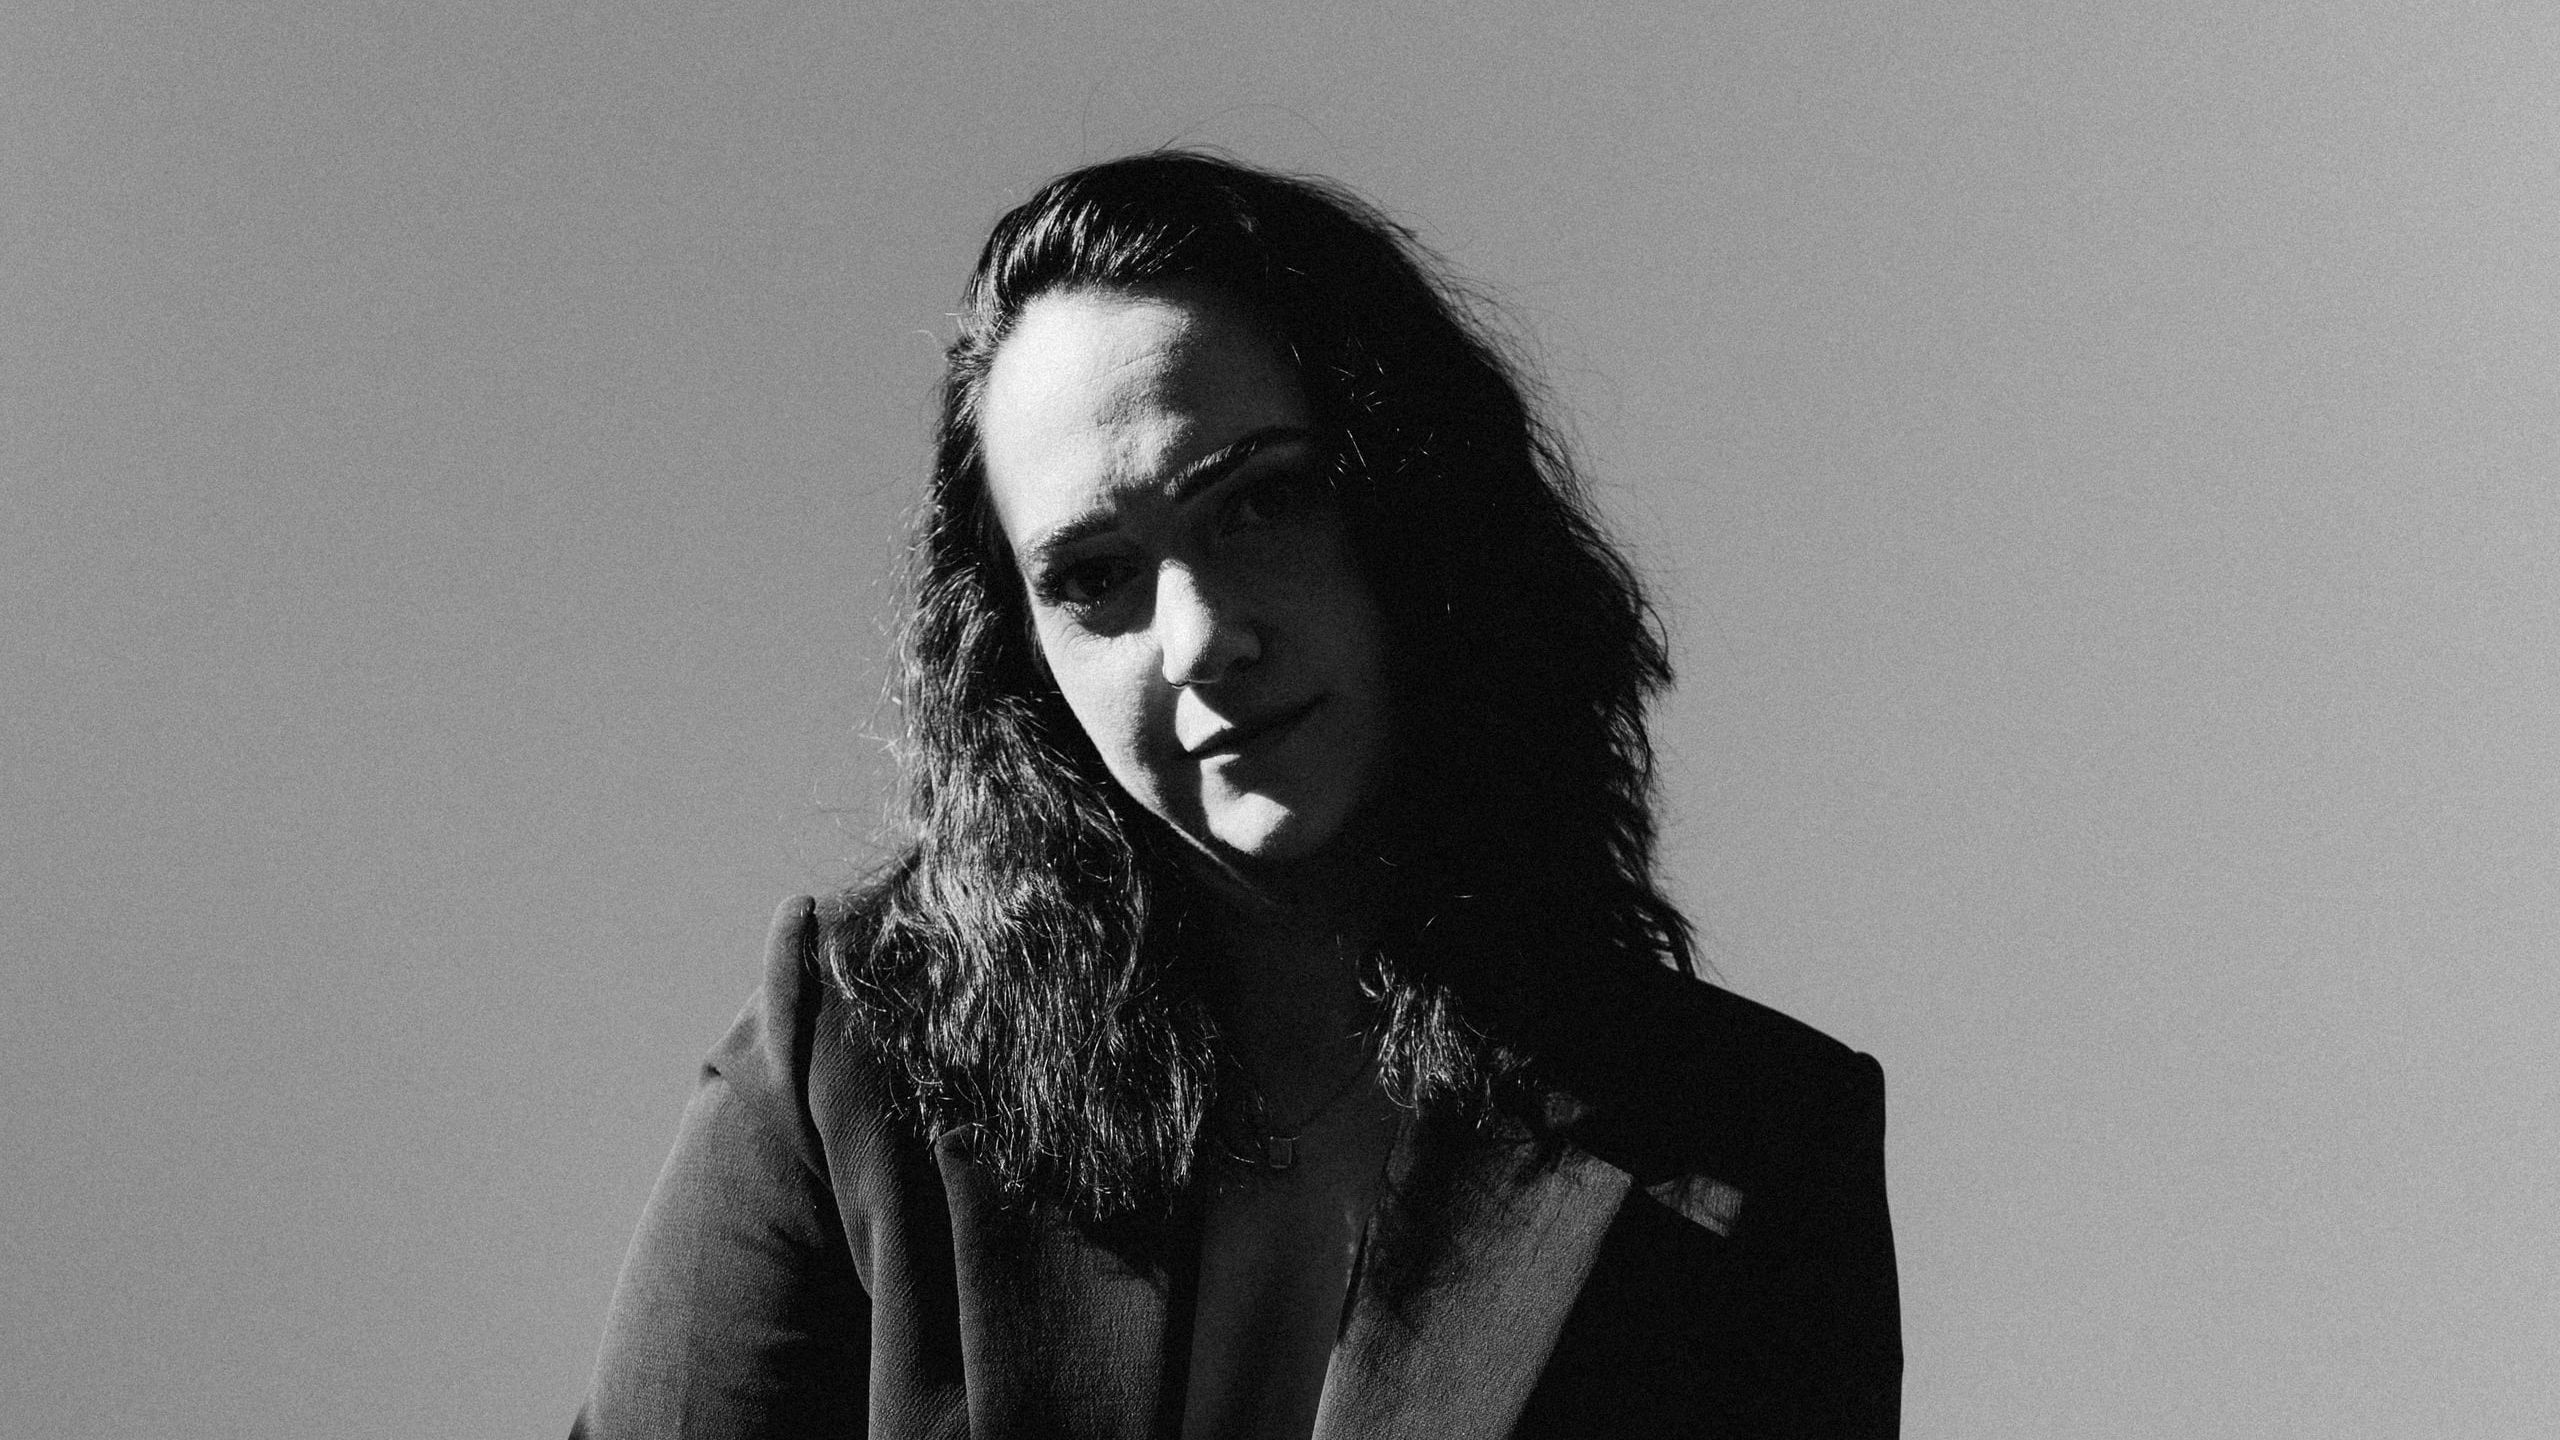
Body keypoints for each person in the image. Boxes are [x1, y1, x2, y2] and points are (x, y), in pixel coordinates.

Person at [575, 151, 1900, 1439]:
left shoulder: (1756, 1139)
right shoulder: (855, 1055)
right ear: (1019, 656)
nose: (1200, 637)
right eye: (1095, 577)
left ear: (1415, 500)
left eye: (1260, 504)